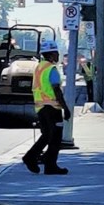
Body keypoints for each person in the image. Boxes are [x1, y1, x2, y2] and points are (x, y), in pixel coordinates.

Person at [22, 40, 71, 175]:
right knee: (55, 137)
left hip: (40, 107)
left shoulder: (39, 67)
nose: (58, 56)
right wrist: (65, 108)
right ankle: (50, 165)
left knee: (47, 135)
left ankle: (31, 157)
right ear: (51, 54)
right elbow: (57, 90)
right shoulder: (51, 69)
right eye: (56, 53)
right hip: (52, 107)